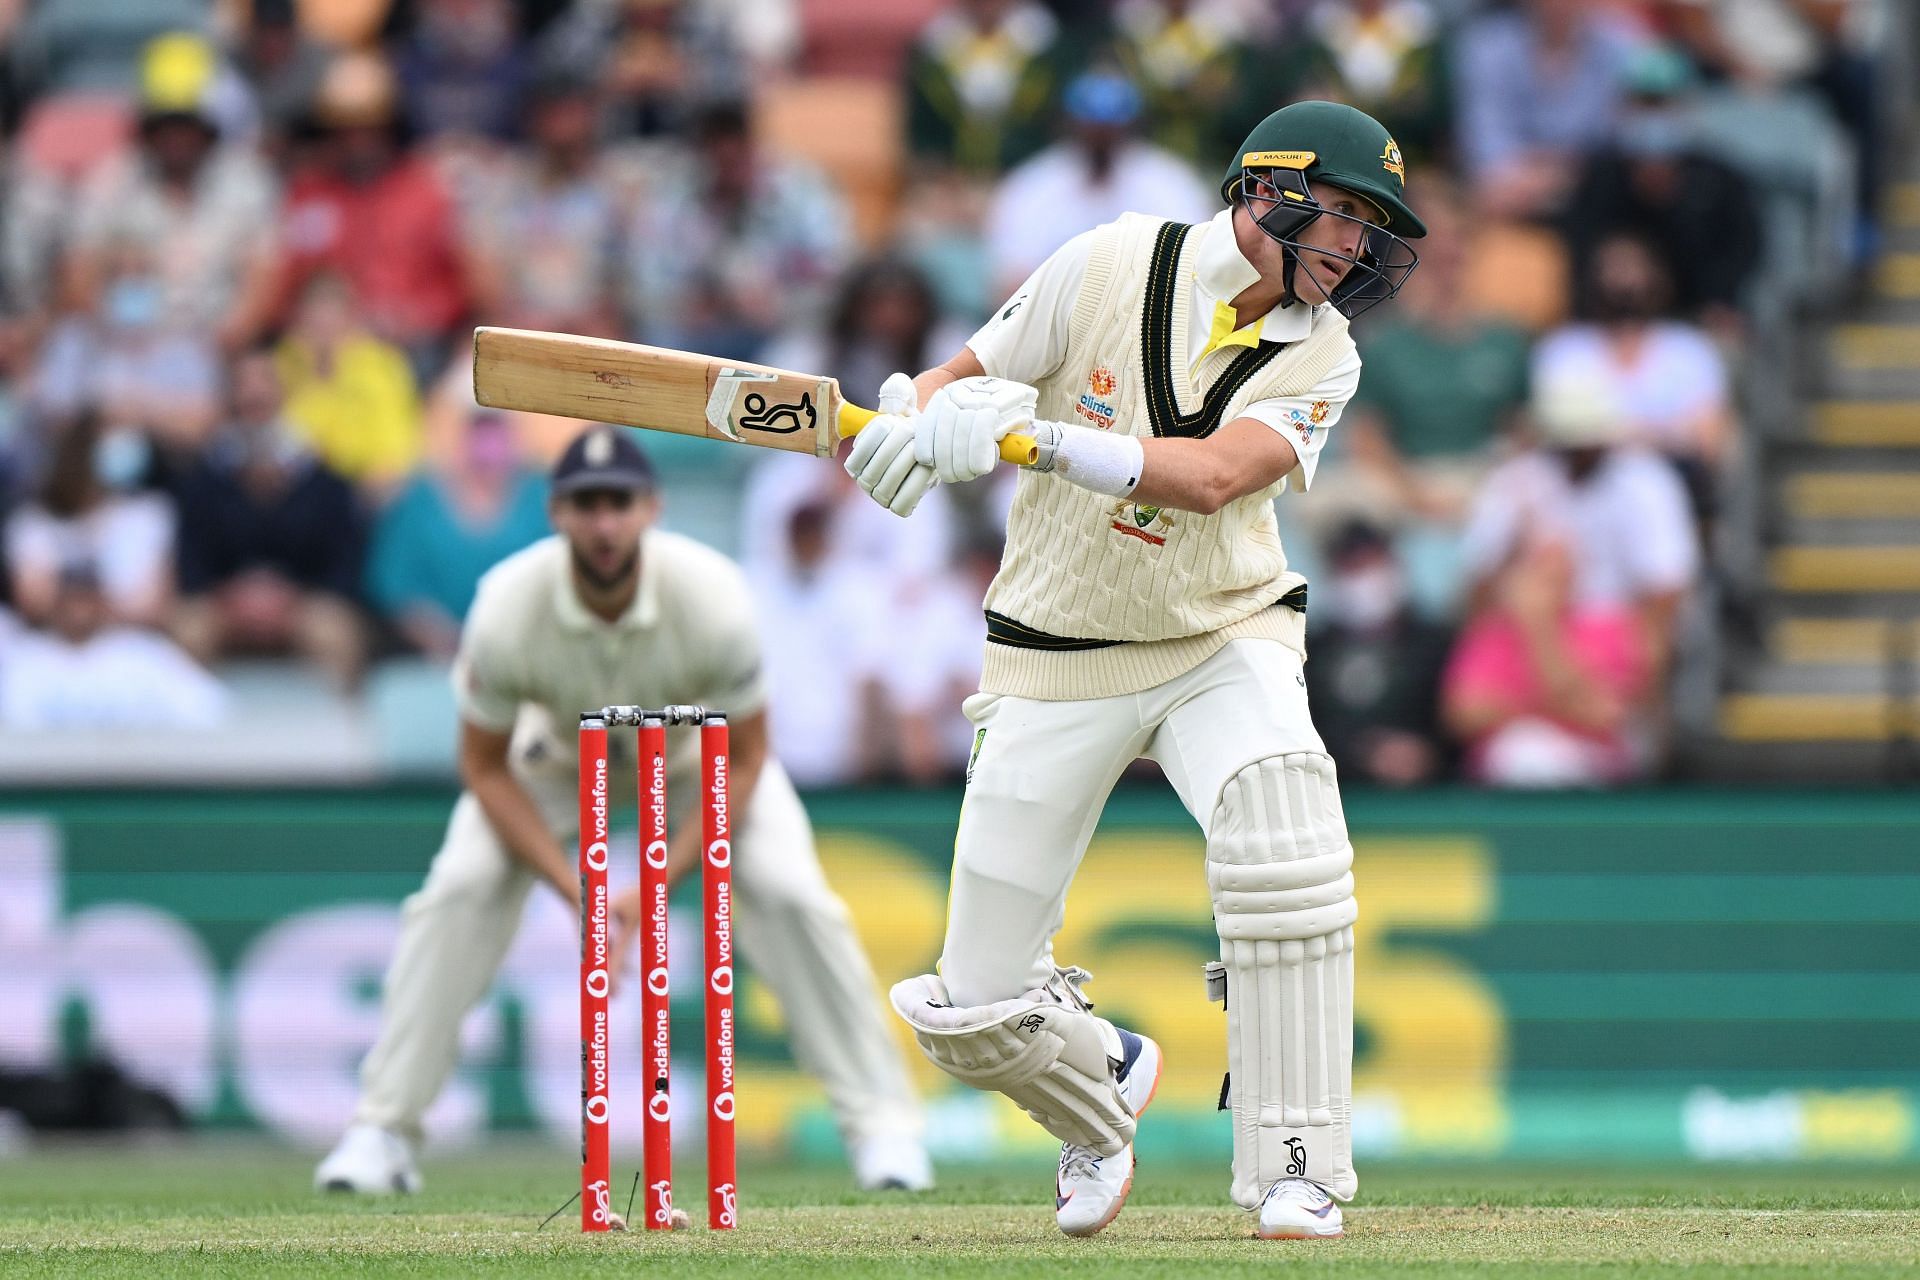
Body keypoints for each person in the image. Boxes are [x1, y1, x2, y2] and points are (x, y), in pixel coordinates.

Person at [844, 101, 1425, 1239]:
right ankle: (1099, 1089)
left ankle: (1296, 1161)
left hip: (1222, 634)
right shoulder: (1108, 260)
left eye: (1370, 229)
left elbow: (1212, 477)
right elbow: (959, 375)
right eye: (1346, 215)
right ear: (1268, 189)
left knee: (1285, 828)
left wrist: (1034, 438)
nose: (1356, 249)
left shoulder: (1325, 352)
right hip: (1050, 650)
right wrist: (918, 417)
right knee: (972, 1008)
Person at [314, 426, 930, 1196]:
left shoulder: (713, 597)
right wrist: (579, 888)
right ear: (556, 513)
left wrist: (656, 880)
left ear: (653, 508)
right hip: (557, 757)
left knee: (792, 893)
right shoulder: (508, 604)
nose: (604, 524)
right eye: (585, 505)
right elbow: (481, 767)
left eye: (619, 504)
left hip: (692, 755)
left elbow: (744, 759)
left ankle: (883, 1130)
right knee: (460, 889)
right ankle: (382, 1131)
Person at [170, 350, 369, 691]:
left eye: (265, 382)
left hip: (302, 602)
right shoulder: (205, 477)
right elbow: (190, 558)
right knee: (187, 630)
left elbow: (343, 560)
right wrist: (231, 596)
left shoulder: (320, 477)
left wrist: (290, 597)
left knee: (336, 633)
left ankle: (337, 734)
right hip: (224, 603)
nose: (255, 394)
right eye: (244, 385)